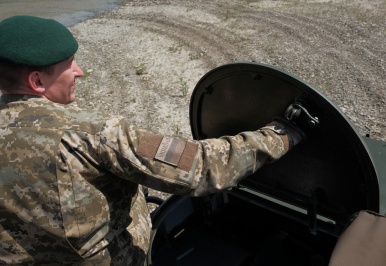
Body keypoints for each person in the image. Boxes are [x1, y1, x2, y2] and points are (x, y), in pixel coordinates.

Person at [0, 16, 306, 265]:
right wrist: (279, 135)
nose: (79, 72)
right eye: (69, 65)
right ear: (37, 81)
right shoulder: (92, 134)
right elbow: (202, 167)